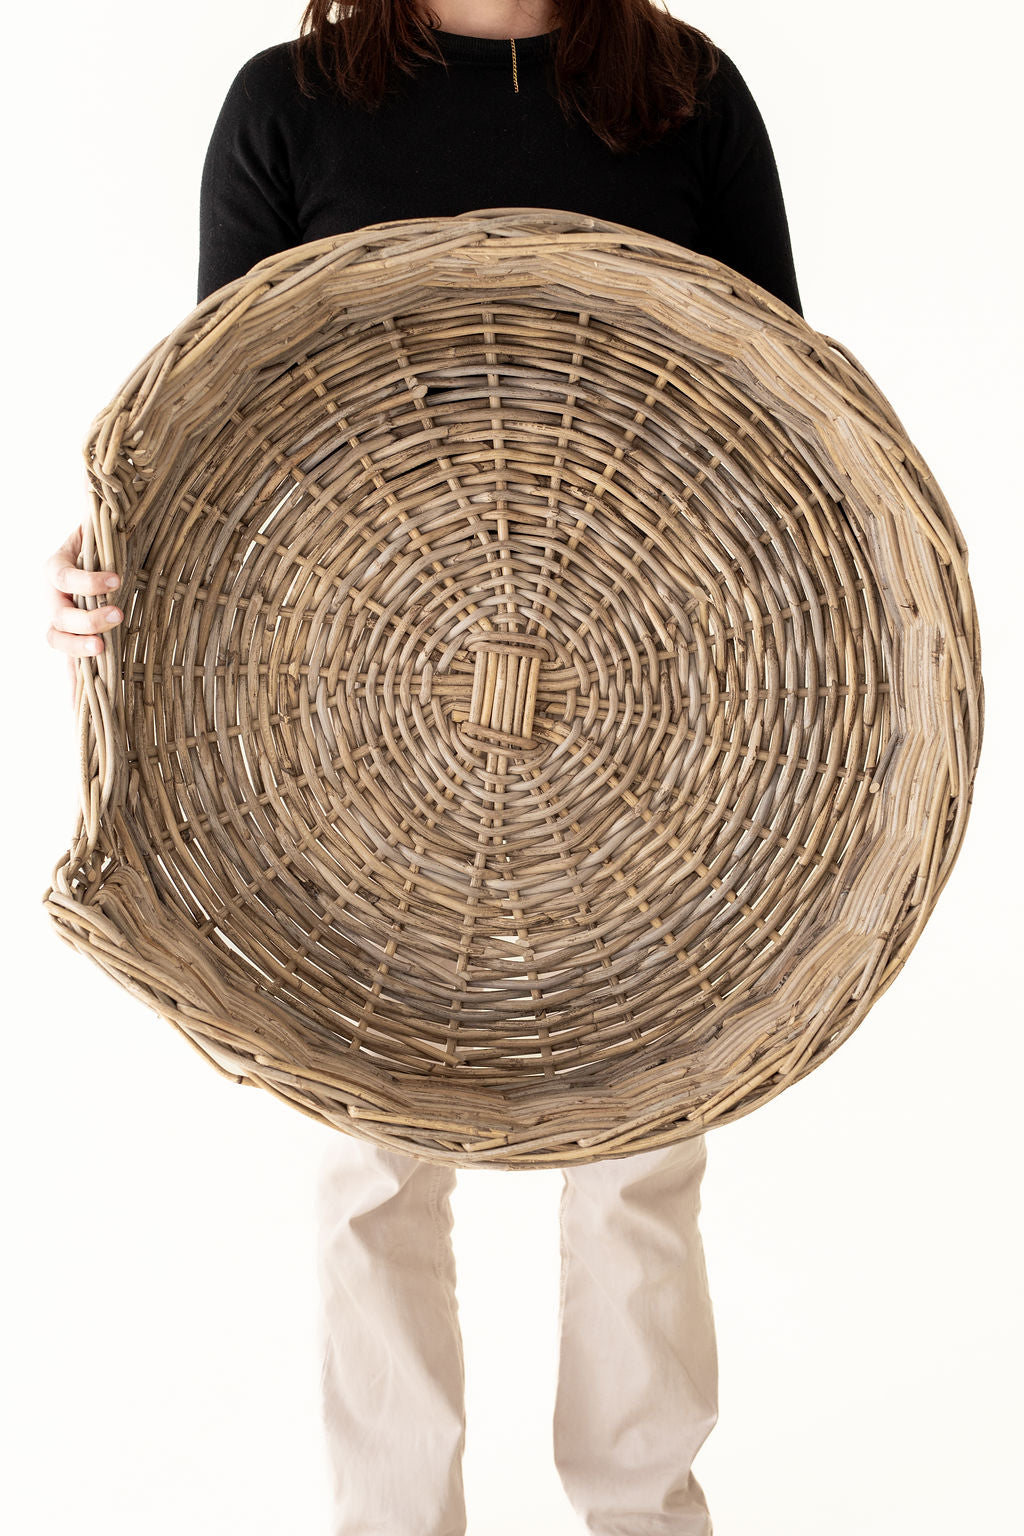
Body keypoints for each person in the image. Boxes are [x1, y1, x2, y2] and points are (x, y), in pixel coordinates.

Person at [45, 3, 804, 1531]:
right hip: (362, 716)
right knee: (370, 1163)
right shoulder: (291, 105)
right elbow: (218, 437)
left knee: (641, 1157)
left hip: (647, 718)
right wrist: (104, 565)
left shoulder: (688, 94)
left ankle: (644, 1515)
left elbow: (780, 426)